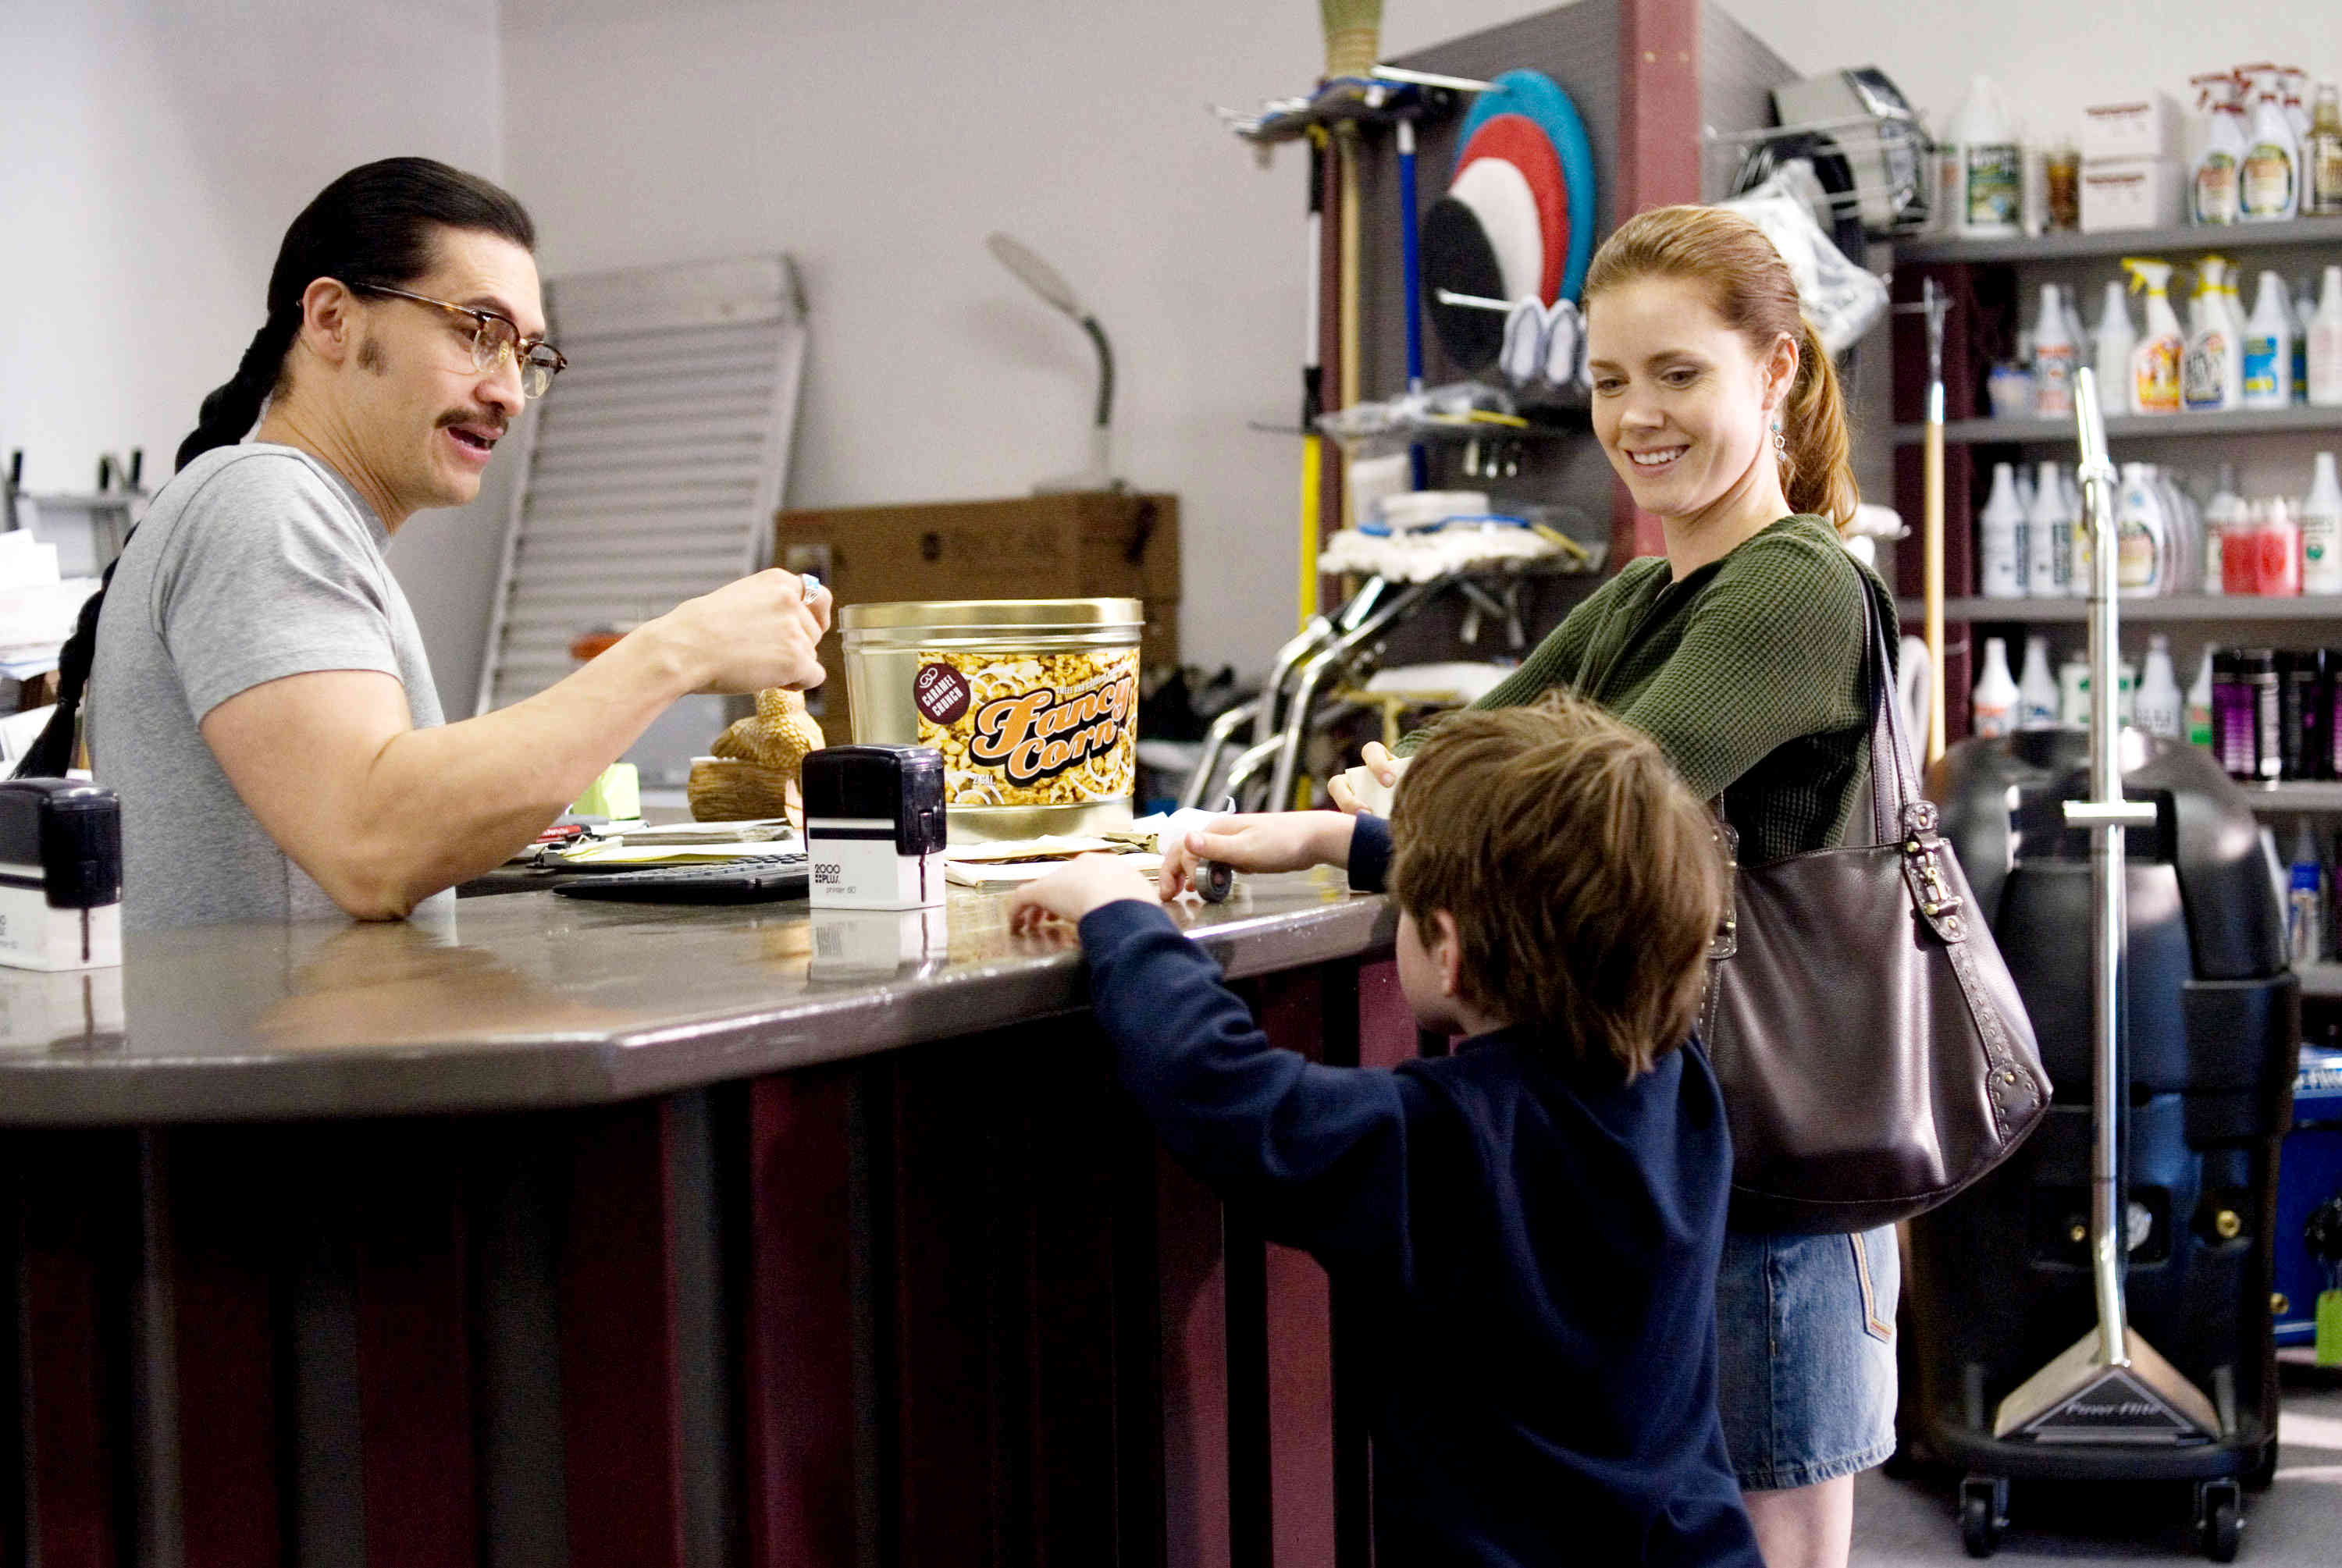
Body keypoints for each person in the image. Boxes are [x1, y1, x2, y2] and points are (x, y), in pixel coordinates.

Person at [1164, 206, 1897, 1568]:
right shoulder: (1636, 597)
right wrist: (1320, 834)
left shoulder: (1798, 586)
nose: (1637, 416)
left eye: (1679, 373)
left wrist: (1416, 808)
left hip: (1784, 1184)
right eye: (1611, 381)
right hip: (1676, 1159)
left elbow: (1560, 806)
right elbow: (1459, 772)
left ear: (1779, 369)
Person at [1012, 694, 1759, 1567]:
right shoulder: (1679, 1083)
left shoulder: (1438, 1140)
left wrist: (1117, 909)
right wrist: (1340, 839)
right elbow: (1585, 888)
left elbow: (1221, 1087)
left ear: (1448, 947)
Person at [41, 158, 829, 929]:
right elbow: (373, 840)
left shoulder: (307, 518)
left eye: (526, 354)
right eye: (479, 332)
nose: (510, 393)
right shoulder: (264, 503)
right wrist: (676, 650)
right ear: (332, 319)